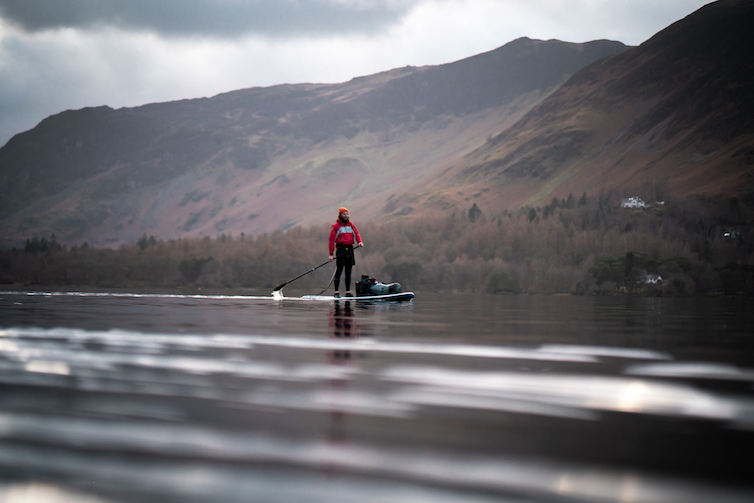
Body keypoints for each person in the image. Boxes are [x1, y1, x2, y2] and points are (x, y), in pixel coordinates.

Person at [328, 207, 364, 298]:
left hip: (350, 249)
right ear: (340, 215)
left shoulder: (351, 225)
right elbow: (331, 240)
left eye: (347, 214)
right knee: (339, 271)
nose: (346, 216)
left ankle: (348, 292)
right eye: (344, 214)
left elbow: (356, 233)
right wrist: (331, 254)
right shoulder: (336, 226)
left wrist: (359, 241)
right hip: (341, 249)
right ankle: (336, 292)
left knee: (348, 271)